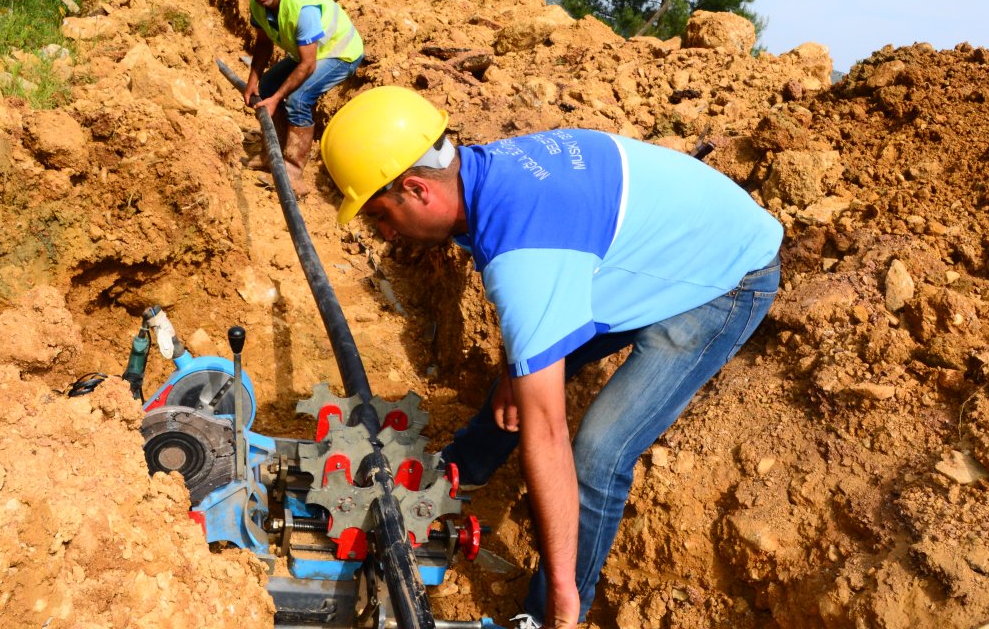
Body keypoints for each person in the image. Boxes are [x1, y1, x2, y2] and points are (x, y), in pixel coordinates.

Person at [320, 86, 783, 629]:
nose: (384, 233)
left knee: (598, 454)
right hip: (649, 247)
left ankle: (553, 613)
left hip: (722, 277)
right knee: (523, 376)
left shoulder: (524, 252)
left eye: (381, 215)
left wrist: (563, 587)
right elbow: (536, 295)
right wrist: (518, 369)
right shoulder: (486, 175)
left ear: (417, 188)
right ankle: (459, 472)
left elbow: (547, 431)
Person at [236, 0, 364, 195]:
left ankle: (293, 173)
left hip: (341, 53)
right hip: (308, 53)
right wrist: (253, 81)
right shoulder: (257, 5)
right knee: (267, 85)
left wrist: (276, 99)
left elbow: (308, 64)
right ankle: (271, 156)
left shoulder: (302, 8)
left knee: (299, 99)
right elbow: (263, 44)